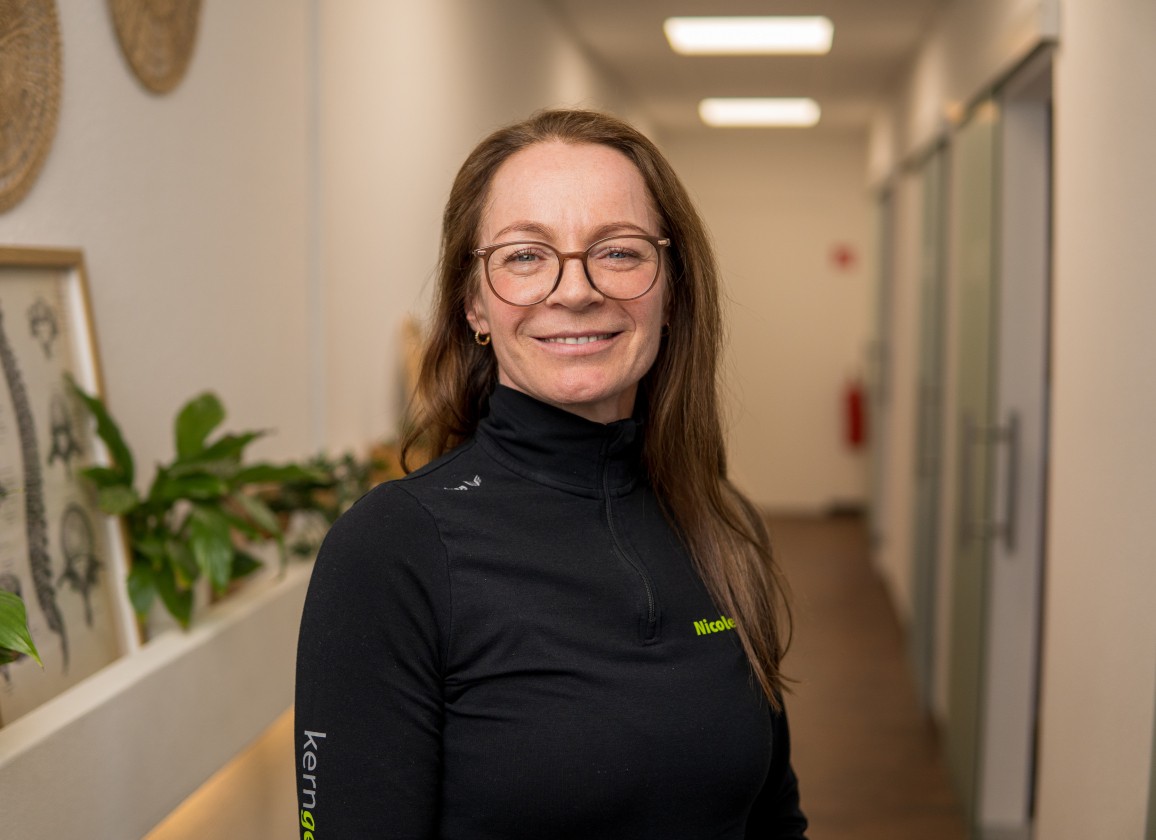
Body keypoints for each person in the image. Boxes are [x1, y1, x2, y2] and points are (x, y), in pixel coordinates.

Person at [295, 108, 808, 839]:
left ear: (672, 291)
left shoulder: (723, 525)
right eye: (526, 256)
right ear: (474, 303)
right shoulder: (391, 550)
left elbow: (774, 823)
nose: (575, 291)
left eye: (619, 251)